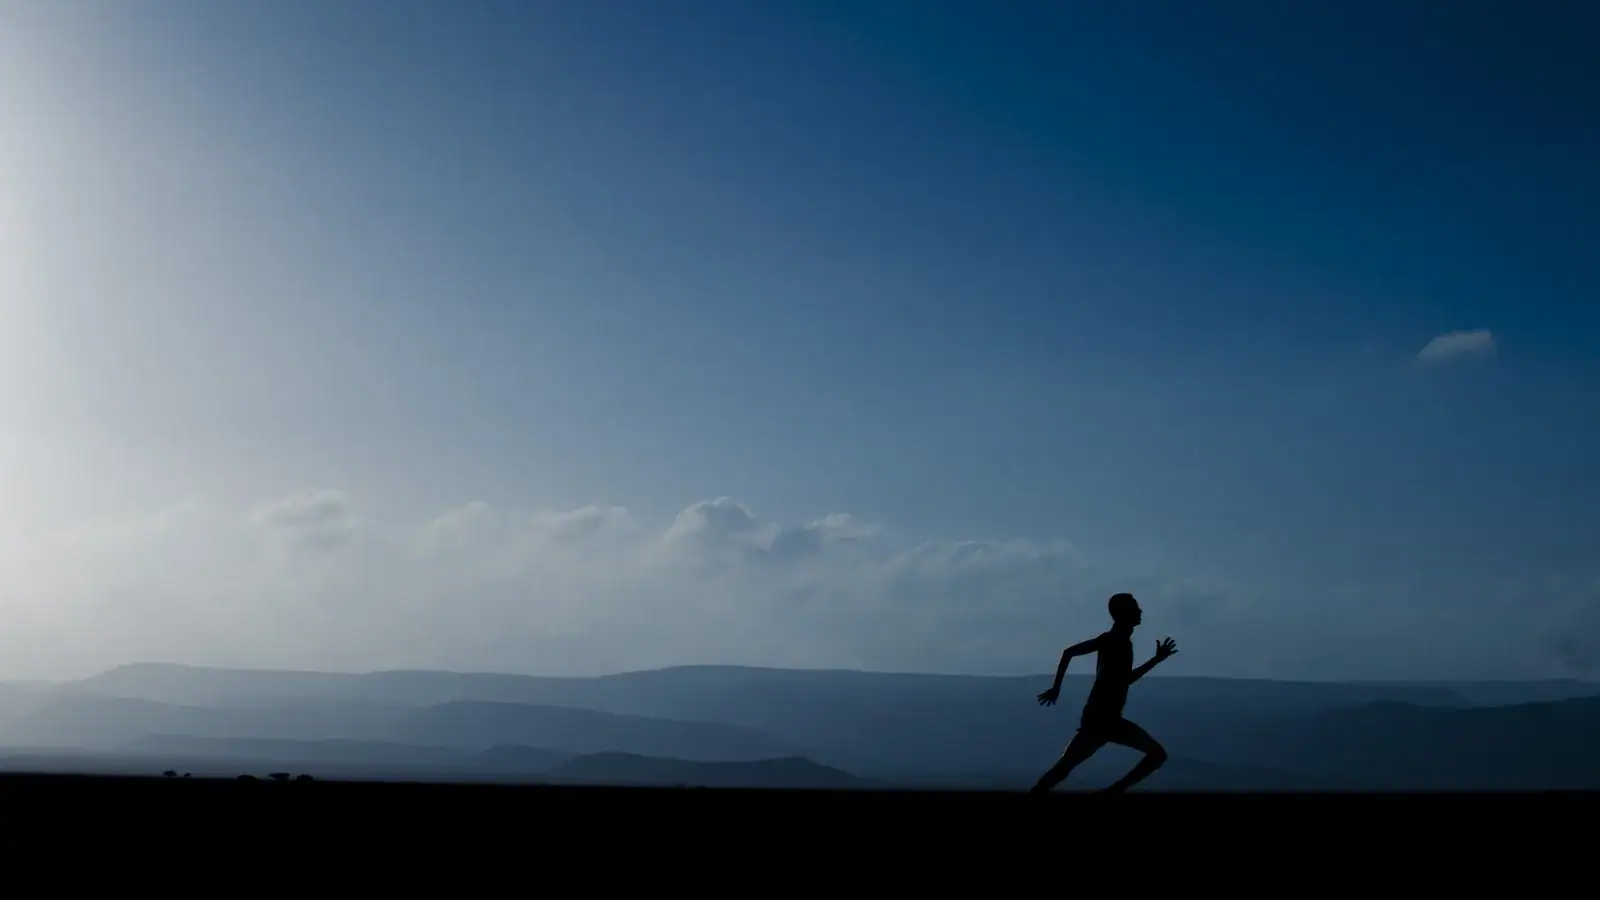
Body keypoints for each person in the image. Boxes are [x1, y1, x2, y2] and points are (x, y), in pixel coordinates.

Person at [1029, 592, 1177, 794]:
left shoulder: (1123, 643)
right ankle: (1114, 791)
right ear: (1124, 614)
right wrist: (1056, 688)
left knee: (1064, 767)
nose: (1140, 611)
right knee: (1157, 755)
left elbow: (1124, 680)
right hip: (1102, 719)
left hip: (1103, 719)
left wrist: (1156, 660)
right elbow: (1069, 652)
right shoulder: (1111, 641)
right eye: (1135, 608)